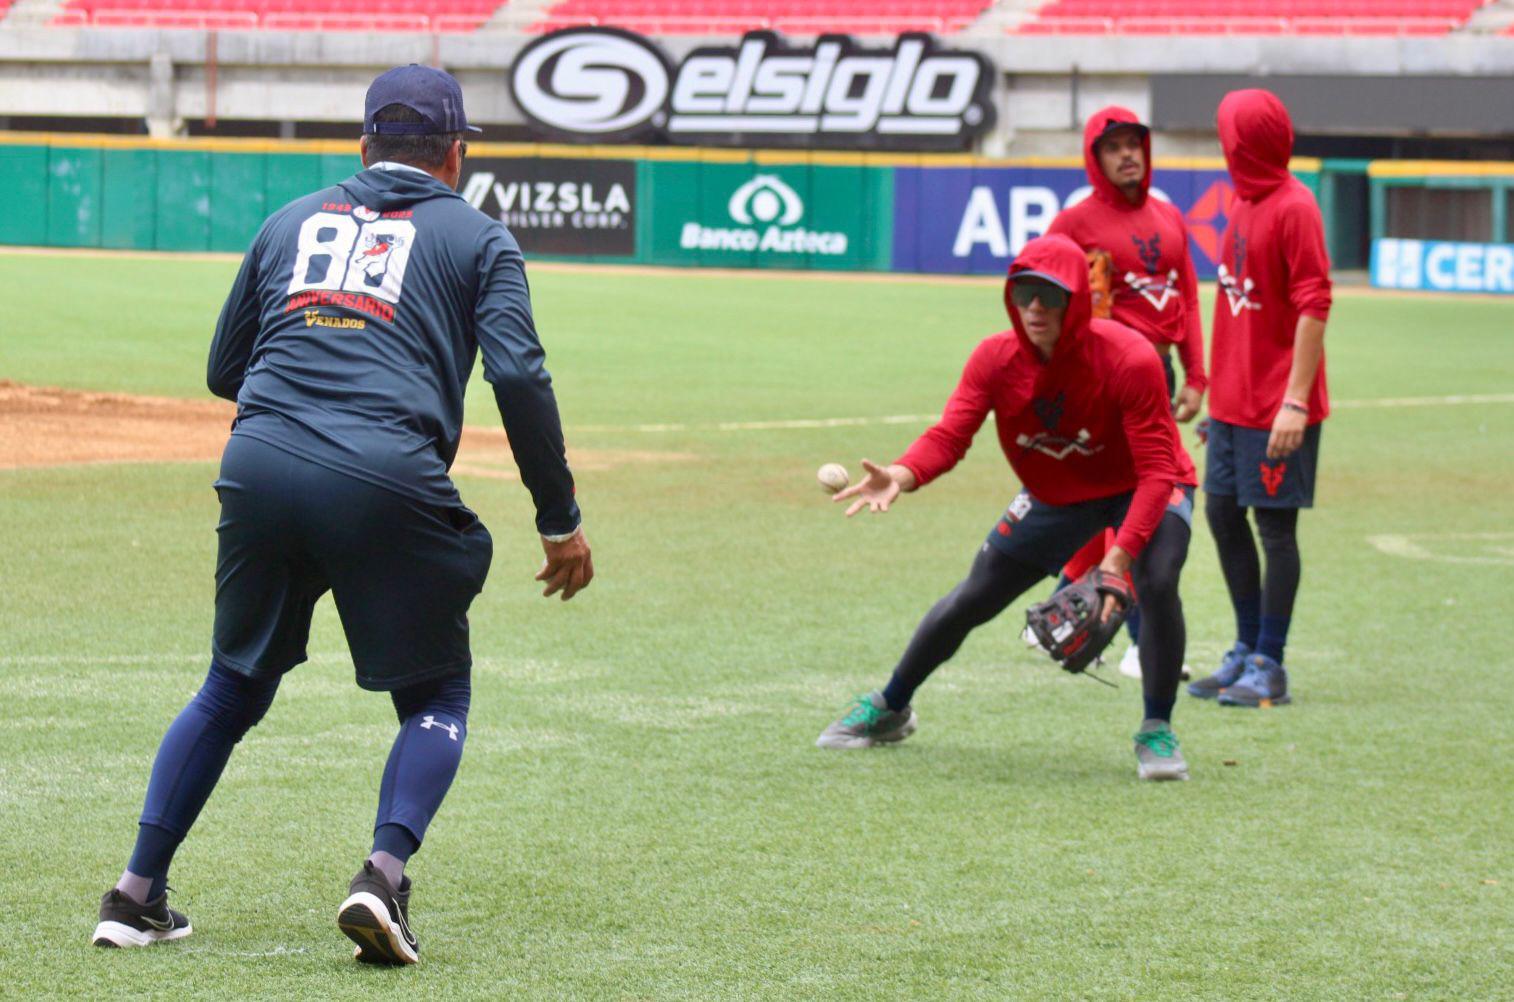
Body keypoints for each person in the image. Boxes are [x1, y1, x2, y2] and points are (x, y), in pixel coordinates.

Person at [91, 64, 593, 964]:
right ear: (457, 155)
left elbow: (222, 370)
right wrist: (557, 519)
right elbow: (518, 374)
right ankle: (382, 878)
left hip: (261, 462)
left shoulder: (288, 220)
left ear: (362, 148)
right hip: (384, 476)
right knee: (437, 691)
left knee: (230, 686)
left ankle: (133, 895)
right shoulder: (481, 239)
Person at [816, 233, 1198, 782]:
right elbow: (950, 435)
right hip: (1059, 491)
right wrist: (900, 474)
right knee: (978, 593)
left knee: (1157, 580)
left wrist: (1119, 559)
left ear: (1076, 300)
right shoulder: (995, 359)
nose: (1035, 308)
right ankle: (891, 705)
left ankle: (1156, 729)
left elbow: (1158, 470)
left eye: (1049, 295)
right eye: (1024, 294)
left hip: (1145, 483)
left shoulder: (1128, 358)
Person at [1044, 105, 1207, 681]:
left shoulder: (1167, 216)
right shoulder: (1073, 224)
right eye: (1112, 147)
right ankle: (1136, 640)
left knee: (1122, 504)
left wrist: (1196, 374)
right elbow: (1038, 300)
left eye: (1134, 143)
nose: (1127, 154)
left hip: (1155, 375)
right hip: (1104, 379)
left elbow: (1186, 295)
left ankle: (1063, 612)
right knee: (1134, 503)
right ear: (1095, 158)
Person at [1186, 89, 1330, 709]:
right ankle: (1245, 648)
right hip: (1233, 404)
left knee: (1274, 529)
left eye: (1230, 138)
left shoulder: (1296, 207)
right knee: (1220, 514)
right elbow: (1238, 306)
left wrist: (1294, 401)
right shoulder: (1241, 204)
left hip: (1278, 405)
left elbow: (1314, 304)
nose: (1225, 147)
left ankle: (1271, 661)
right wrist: (1219, 399)